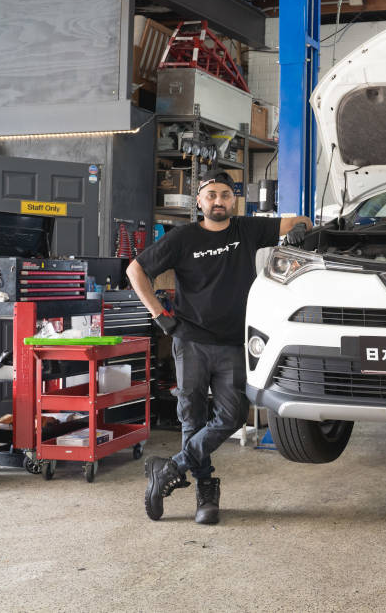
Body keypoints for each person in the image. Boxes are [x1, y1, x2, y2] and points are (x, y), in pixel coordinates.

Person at [127, 169, 312, 524]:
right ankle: (205, 491)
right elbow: (136, 270)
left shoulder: (248, 229)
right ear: (199, 200)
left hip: (232, 343)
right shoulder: (182, 238)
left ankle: (169, 469)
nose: (218, 201)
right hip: (191, 340)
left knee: (233, 415)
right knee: (192, 417)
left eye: (225, 195)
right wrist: (159, 315)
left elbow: (300, 220)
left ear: (234, 200)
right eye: (211, 195)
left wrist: (301, 229)